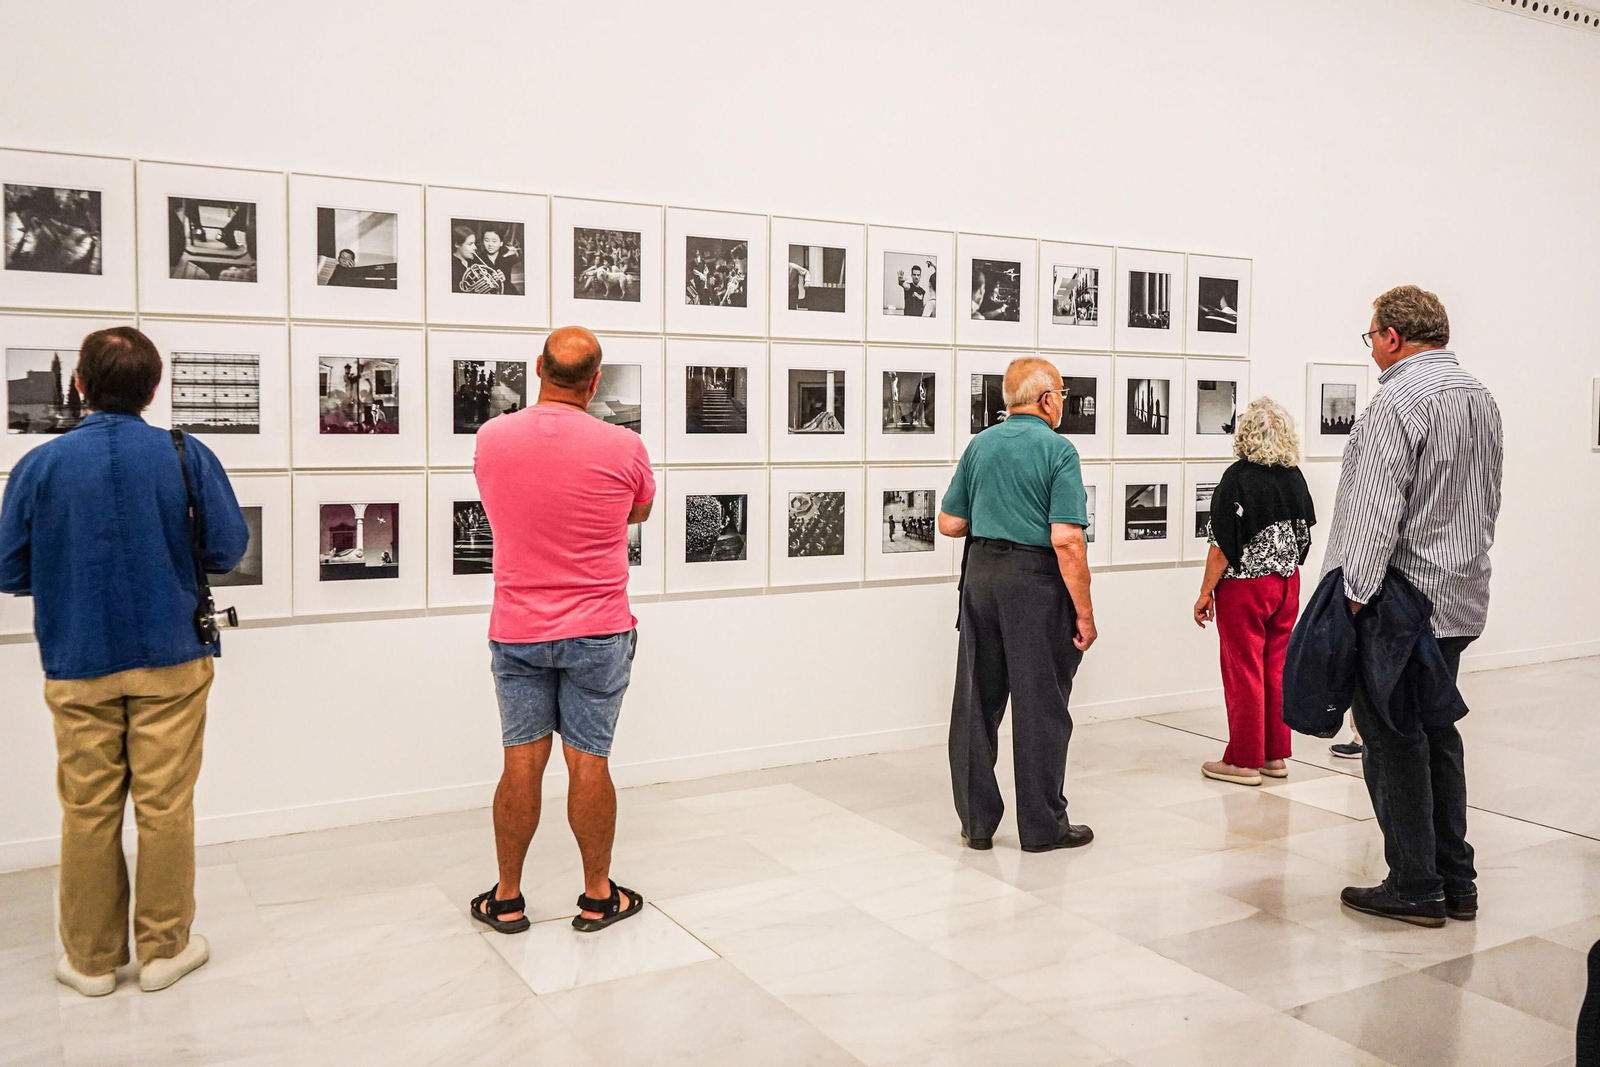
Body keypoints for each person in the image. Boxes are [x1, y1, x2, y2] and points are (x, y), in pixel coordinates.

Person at [0, 327, 248, 997]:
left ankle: (89, 961)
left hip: (77, 656)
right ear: (153, 388)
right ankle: (165, 949)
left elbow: (8, 567)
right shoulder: (182, 452)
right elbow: (227, 547)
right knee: (166, 805)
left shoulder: (39, 466)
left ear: (79, 383)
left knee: (86, 808)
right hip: (172, 653)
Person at [1322, 285, 1502, 927]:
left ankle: (1414, 884)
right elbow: (1488, 502)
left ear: (1392, 337)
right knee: (1437, 736)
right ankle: (1457, 882)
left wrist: (1352, 599)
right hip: (1457, 602)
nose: (1371, 348)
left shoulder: (1396, 400)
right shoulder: (1479, 398)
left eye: (1370, 336)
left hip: (1398, 607)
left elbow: (1375, 513)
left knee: (1390, 739)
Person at [470, 325, 655, 936]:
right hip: (599, 628)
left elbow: (502, 502)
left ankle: (508, 897)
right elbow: (638, 511)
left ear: (538, 369)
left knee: (521, 763)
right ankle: (598, 896)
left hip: (519, 627)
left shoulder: (493, 438)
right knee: (589, 762)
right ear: (595, 381)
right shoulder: (624, 446)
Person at [939, 357, 1097, 853]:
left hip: (981, 577)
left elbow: (949, 523)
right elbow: (1067, 539)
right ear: (1048, 399)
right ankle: (1042, 826)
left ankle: (977, 824)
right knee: (1041, 705)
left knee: (975, 704)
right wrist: (1086, 615)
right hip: (1033, 581)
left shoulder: (980, 445)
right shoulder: (1058, 450)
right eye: (1063, 396)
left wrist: (994, 506)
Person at [1192, 397, 1316, 786]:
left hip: (1245, 588)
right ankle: (1274, 756)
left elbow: (1222, 545)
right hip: (1286, 585)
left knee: (1243, 671)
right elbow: (1304, 535)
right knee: (1275, 668)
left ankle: (1243, 761)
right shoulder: (1293, 475)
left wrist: (1205, 592)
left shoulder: (1238, 478)